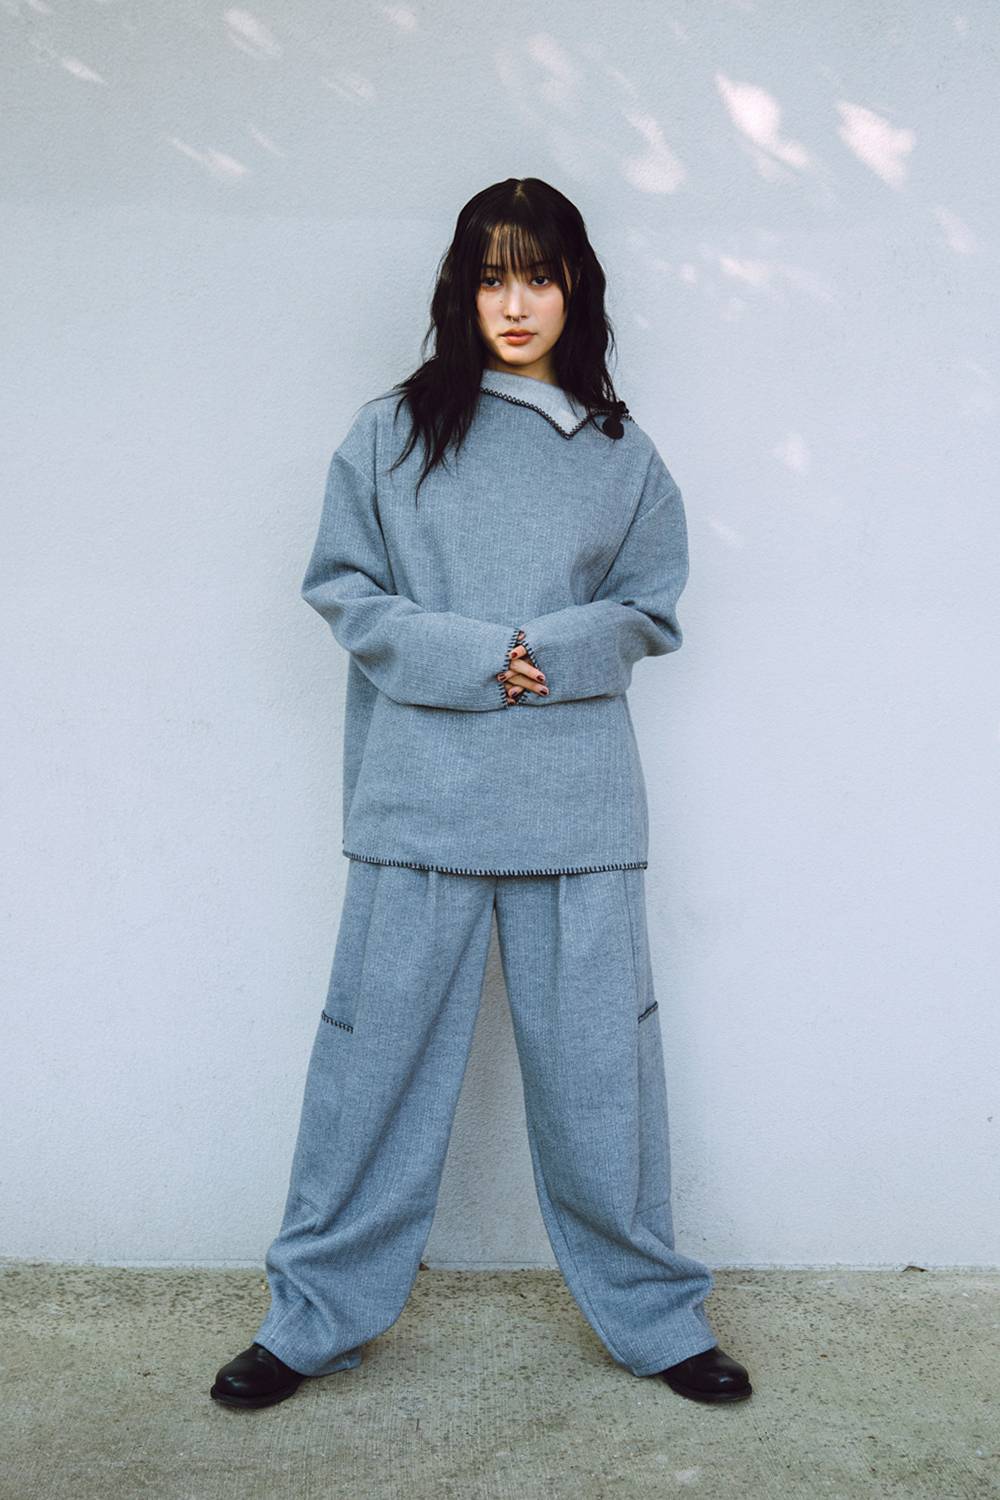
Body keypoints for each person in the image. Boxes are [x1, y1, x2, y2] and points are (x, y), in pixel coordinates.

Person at [210, 177, 752, 1410]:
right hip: (420, 801)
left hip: (578, 808)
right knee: (372, 1072)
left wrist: (542, 652)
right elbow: (342, 586)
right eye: (492, 277)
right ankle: (310, 1318)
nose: (515, 303)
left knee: (603, 1075)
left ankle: (654, 1315)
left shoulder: (620, 453)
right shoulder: (389, 436)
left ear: (575, 290)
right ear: (460, 289)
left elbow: (650, 603)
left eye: (539, 277)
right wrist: (477, 655)